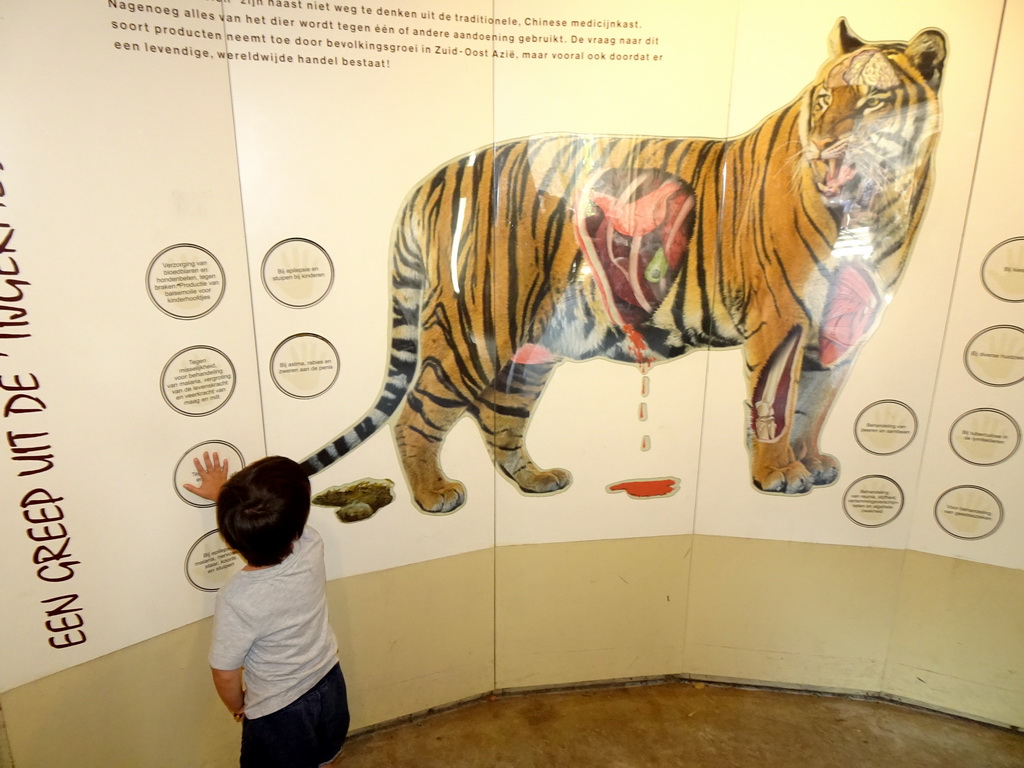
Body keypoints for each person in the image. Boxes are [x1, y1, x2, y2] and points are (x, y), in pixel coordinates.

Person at [185, 452, 350, 768]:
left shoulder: (237, 597)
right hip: (329, 682)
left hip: (279, 710)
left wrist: (238, 706)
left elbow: (224, 671)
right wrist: (231, 498)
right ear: (296, 528)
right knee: (325, 756)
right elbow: (282, 520)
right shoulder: (312, 546)